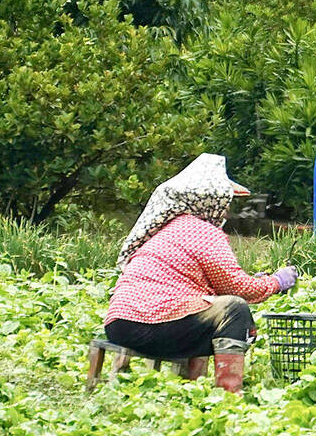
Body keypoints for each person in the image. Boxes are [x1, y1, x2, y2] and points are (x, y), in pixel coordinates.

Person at [103, 153, 298, 393]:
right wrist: (277, 281)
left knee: (204, 307)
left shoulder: (164, 229)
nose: (226, 210)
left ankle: (191, 388)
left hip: (119, 326)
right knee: (234, 310)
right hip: (153, 325)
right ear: (210, 202)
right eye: (225, 203)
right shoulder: (203, 232)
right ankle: (228, 394)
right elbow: (238, 289)